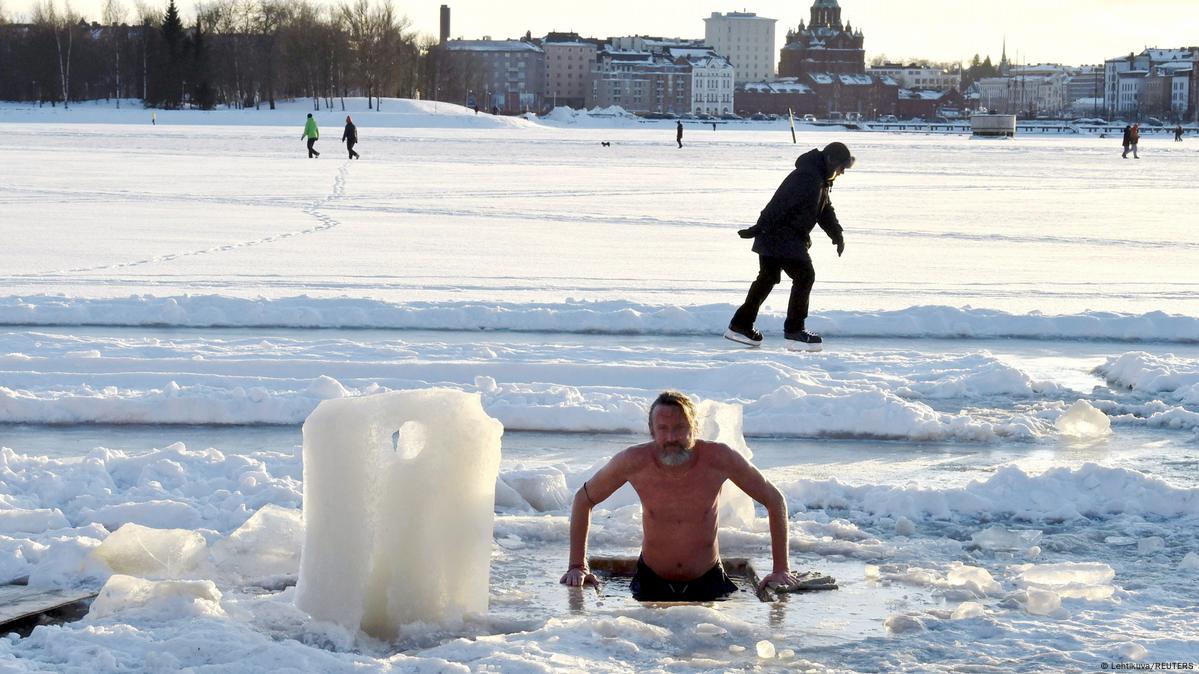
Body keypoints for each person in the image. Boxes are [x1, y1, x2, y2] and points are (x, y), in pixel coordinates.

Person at [560, 391, 806, 601]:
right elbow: (584, 499)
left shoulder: (719, 458)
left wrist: (781, 569)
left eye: (679, 428)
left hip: (708, 578)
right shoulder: (633, 461)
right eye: (663, 429)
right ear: (652, 431)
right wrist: (577, 566)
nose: (671, 438)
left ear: (694, 427)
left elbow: (774, 500)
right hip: (651, 580)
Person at [725, 142, 853, 352]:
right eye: (841, 168)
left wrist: (836, 233)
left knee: (767, 279)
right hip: (781, 236)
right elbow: (779, 204)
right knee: (804, 276)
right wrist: (758, 228)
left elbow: (824, 209)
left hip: (780, 237)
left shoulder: (819, 178)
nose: (842, 173)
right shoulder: (807, 177)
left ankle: (740, 325)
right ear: (831, 161)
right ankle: (794, 331)